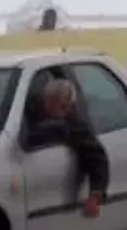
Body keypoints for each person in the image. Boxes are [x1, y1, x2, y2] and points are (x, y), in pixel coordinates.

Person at [25, 78, 109, 217]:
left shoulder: (72, 123)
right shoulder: (27, 110)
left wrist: (95, 195)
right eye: (62, 106)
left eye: (69, 106)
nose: (66, 110)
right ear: (47, 99)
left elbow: (97, 157)